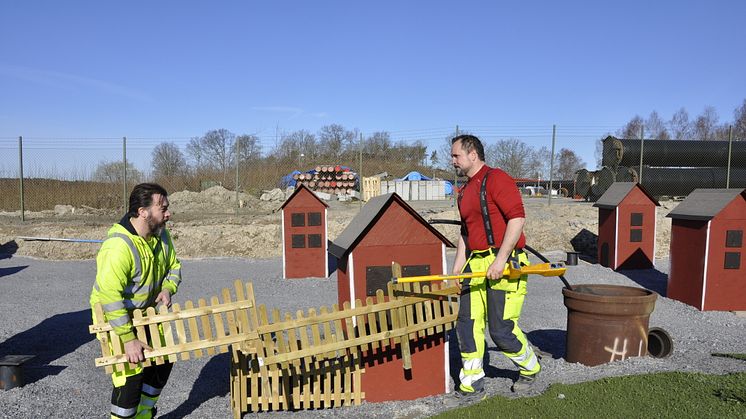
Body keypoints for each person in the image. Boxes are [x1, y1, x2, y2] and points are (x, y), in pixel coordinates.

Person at [449, 135, 540, 399]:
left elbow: (517, 219)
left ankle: (530, 367)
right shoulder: (464, 191)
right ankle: (472, 380)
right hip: (474, 263)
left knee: (500, 329)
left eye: (456, 155)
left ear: (473, 154)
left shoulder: (497, 179)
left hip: (505, 260)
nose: (453, 160)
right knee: (467, 324)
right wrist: (457, 267)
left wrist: (500, 260)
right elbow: (466, 232)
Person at [90, 183, 182, 419]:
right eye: (162, 208)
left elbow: (174, 266)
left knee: (161, 366)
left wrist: (168, 288)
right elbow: (109, 297)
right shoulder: (118, 247)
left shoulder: (160, 234)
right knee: (130, 382)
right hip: (117, 321)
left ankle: (144, 415)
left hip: (148, 316)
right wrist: (128, 339)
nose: (168, 213)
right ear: (143, 211)